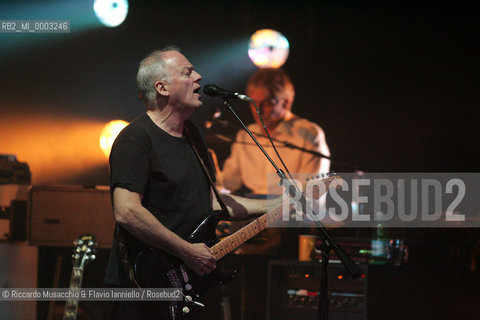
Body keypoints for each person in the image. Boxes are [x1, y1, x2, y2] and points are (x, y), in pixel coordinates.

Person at [104, 46, 279, 320]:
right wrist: (187, 251)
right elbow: (126, 211)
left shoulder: (193, 137)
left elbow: (213, 203)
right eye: (187, 73)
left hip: (192, 285)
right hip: (145, 286)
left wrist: (280, 204)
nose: (198, 77)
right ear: (161, 88)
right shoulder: (135, 139)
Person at [221, 67, 330, 196]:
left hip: (292, 209)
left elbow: (313, 192)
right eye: (253, 102)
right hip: (255, 206)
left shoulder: (308, 133)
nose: (258, 110)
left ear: (286, 103)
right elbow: (227, 184)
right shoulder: (245, 135)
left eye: (267, 103)